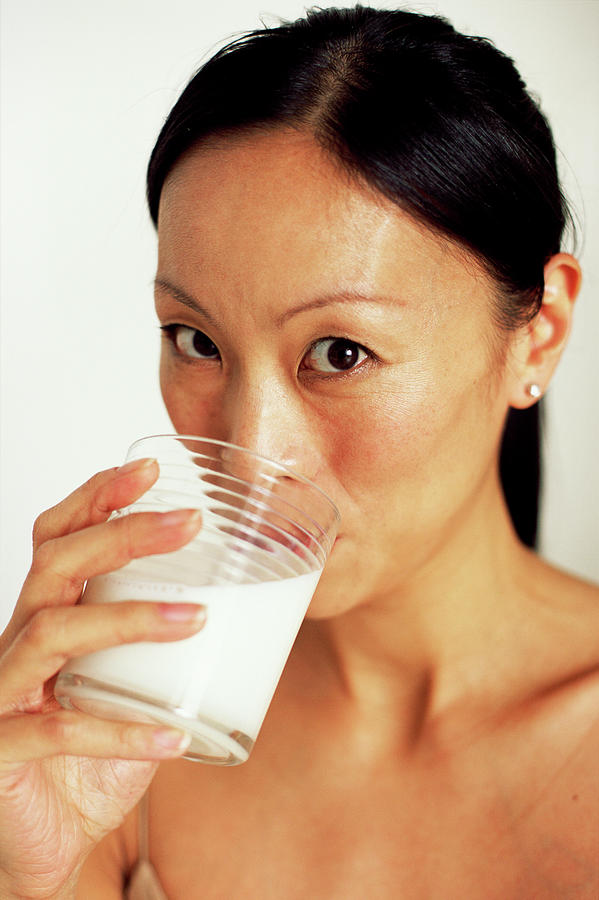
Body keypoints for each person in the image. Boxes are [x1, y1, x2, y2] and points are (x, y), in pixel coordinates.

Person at [1, 5, 597, 898]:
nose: (251, 452)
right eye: (194, 339)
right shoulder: (114, 739)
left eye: (340, 354)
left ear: (538, 334)